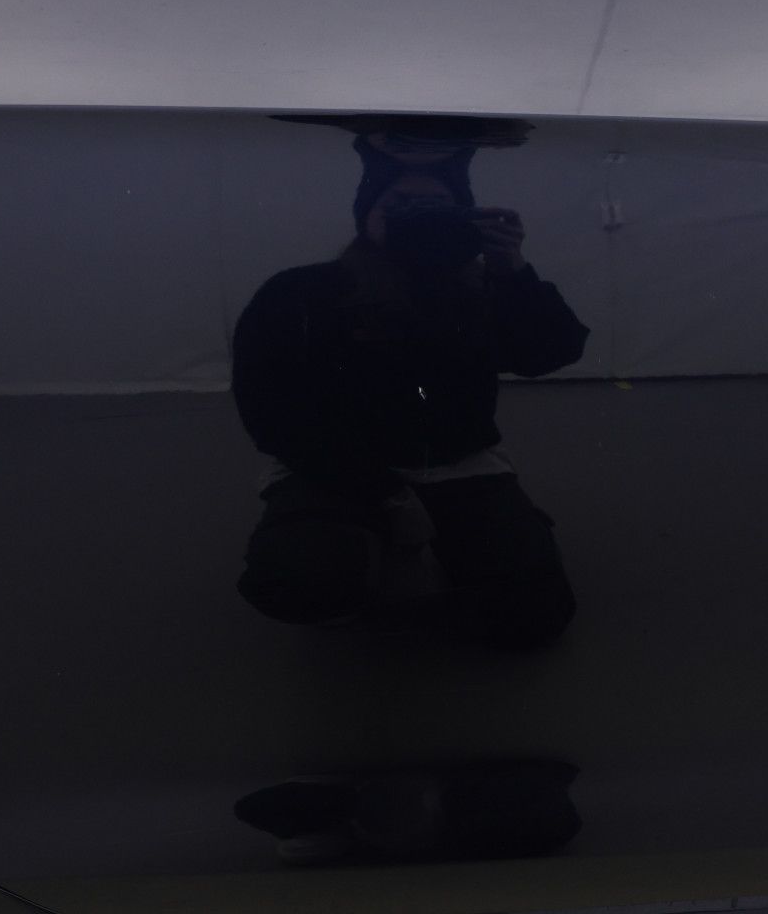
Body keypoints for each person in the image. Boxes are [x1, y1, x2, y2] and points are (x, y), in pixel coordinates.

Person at [231, 128, 589, 650]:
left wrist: (512, 270)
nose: (415, 216)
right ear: (366, 213)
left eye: (434, 207)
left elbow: (549, 354)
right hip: (333, 468)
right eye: (399, 203)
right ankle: (357, 570)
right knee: (298, 577)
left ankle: (418, 572)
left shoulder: (480, 289)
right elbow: (269, 412)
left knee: (535, 609)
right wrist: (383, 493)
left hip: (456, 463)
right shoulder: (299, 292)